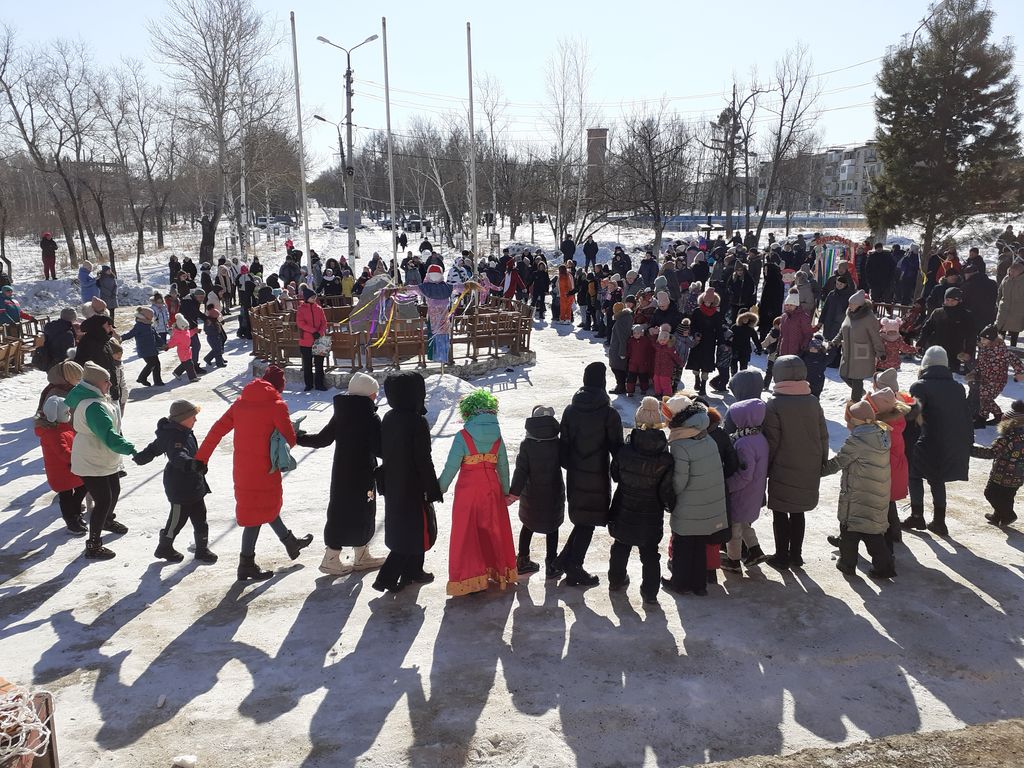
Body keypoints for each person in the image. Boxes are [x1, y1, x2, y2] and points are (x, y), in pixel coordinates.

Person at [194, 365, 313, 581]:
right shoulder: (277, 405)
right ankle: (246, 563)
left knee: (261, 508)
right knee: (256, 515)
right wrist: (293, 430)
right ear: (279, 387)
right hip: (266, 469)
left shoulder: (241, 403)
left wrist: (201, 458)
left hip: (243, 469)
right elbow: (290, 441)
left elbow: (217, 429)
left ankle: (290, 542)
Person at [296, 372, 386, 575]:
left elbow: (322, 440)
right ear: (367, 395)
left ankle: (332, 557)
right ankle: (360, 555)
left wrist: (297, 438)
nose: (376, 397)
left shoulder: (342, 413)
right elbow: (380, 450)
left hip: (341, 473)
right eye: (374, 393)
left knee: (339, 512)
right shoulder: (370, 417)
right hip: (363, 473)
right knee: (364, 511)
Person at [437, 390, 518, 596]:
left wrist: (439, 489)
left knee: (467, 533)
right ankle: (497, 571)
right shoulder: (497, 435)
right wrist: (507, 491)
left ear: (468, 412)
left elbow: (450, 467)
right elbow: (503, 467)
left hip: (468, 490)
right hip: (492, 489)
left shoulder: (463, 436)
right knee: (493, 530)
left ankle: (470, 577)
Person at [554, 362, 624, 586]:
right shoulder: (609, 413)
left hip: (575, 474)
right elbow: (617, 449)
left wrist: (573, 465)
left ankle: (565, 560)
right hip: (597, 475)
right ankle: (574, 565)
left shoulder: (570, 410)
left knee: (583, 519)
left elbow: (563, 446)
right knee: (588, 521)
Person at [375, 372, 444, 593]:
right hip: (413, 485)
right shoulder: (417, 421)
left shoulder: (389, 417)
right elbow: (423, 459)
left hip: (394, 482)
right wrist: (433, 488)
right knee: (412, 531)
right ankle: (386, 578)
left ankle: (414, 571)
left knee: (409, 530)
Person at [762, 355, 829, 569]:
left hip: (783, 466)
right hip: (809, 465)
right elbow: (823, 435)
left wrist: (765, 467)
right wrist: (821, 462)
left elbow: (772, 441)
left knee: (781, 512)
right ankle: (796, 555)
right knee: (798, 512)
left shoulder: (775, 404)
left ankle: (781, 556)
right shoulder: (812, 401)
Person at [606, 396, 675, 604]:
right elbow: (666, 491)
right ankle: (650, 592)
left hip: (624, 507)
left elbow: (616, 476)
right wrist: (670, 505)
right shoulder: (666, 458)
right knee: (650, 554)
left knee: (621, 545)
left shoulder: (624, 451)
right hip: (651, 512)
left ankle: (616, 581)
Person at [66, 362, 136, 560]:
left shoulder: (96, 398)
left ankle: (106, 520)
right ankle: (94, 545)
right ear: (96, 383)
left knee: (114, 491)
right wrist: (132, 450)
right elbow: (108, 435)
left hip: (102, 456)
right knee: (103, 500)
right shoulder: (93, 406)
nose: (110, 384)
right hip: (91, 459)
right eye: (107, 381)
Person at [823, 393, 898, 579]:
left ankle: (847, 564)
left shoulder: (858, 441)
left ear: (857, 421)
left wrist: (817, 471)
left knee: (850, 529)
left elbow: (839, 462)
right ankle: (885, 566)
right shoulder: (881, 433)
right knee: (873, 532)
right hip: (877, 492)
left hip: (859, 493)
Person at [133, 400, 217, 564]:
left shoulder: (182, 431)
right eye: (193, 417)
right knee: (176, 522)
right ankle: (164, 547)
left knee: (201, 519)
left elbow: (155, 448)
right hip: (180, 488)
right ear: (183, 418)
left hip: (194, 484)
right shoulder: (174, 436)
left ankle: (202, 549)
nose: (195, 420)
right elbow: (178, 455)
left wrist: (143, 457)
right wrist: (191, 464)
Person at [901, 346, 973, 536]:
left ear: (926, 364)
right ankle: (939, 521)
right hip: (951, 441)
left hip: (928, 440)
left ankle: (917, 515)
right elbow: (965, 415)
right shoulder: (957, 387)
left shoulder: (920, 386)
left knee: (914, 474)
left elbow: (913, 414)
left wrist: (898, 407)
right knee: (937, 478)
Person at [663, 396, 729, 596]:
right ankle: (699, 586)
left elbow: (679, 482)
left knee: (683, 545)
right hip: (709, 501)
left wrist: (668, 495)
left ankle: (680, 584)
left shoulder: (680, 444)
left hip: (690, 503)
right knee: (699, 544)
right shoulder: (705, 435)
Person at [507, 405, 565, 577]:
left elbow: (521, 471)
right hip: (553, 493)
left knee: (528, 525)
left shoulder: (527, 445)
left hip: (531, 494)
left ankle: (523, 560)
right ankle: (551, 564)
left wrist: (514, 493)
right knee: (553, 527)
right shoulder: (557, 443)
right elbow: (567, 462)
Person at [721, 398, 769, 573]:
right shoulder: (759, 437)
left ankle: (733, 561)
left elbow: (744, 475)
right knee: (744, 523)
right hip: (755, 491)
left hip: (742, 492)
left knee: (734, 527)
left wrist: (726, 486)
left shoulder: (744, 443)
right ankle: (755, 550)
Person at [35, 395, 87, 535]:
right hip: (62, 471)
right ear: (55, 415)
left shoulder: (64, 428)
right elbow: (63, 452)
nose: (69, 414)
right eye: (66, 412)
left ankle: (76, 514)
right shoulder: (53, 433)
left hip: (72, 468)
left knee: (83, 487)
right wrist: (79, 458)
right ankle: (71, 521)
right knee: (66, 497)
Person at [971, 399, 1024, 527]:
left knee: (990, 493)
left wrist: (970, 450)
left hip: (1003, 473)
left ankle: (1008, 515)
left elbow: (992, 453)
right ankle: (998, 515)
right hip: (1019, 475)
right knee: (1008, 496)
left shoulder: (1008, 437)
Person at [832, 289, 885, 401]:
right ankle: (860, 391)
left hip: (862, 353)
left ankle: (856, 403)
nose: (849, 305)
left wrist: (880, 352)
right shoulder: (849, 314)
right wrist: (835, 341)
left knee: (857, 378)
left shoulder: (869, 318)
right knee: (843, 374)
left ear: (859, 305)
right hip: (848, 351)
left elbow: (875, 336)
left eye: (852, 303)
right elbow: (842, 331)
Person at [971, 325, 1024, 427]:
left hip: (997, 380)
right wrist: (975, 372)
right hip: (985, 378)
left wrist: (1019, 373)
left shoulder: (1001, 351)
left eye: (984, 339)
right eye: (981, 338)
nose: (981, 341)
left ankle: (997, 416)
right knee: (984, 398)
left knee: (985, 397)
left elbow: (1015, 360)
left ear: (991, 339)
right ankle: (984, 418)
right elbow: (980, 363)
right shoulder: (984, 349)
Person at [918, 286, 975, 374]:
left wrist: (968, 351)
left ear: (959, 301)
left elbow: (971, 335)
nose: (950, 302)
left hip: (955, 352)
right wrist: (921, 342)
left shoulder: (965, 315)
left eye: (953, 300)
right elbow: (927, 328)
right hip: (936, 349)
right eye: (947, 300)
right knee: (932, 372)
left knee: (950, 374)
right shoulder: (938, 312)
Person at [686, 288, 724, 395]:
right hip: (698, 342)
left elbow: (719, 329)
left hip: (709, 342)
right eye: (706, 300)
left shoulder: (716, 315)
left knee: (706, 365)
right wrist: (695, 334)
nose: (707, 303)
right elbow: (692, 326)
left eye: (710, 301)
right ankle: (697, 379)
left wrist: (721, 342)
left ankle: (703, 386)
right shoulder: (697, 312)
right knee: (696, 364)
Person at [296, 285, 328, 392]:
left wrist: (319, 332)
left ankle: (319, 384)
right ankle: (308, 384)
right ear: (306, 298)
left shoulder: (319, 308)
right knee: (307, 364)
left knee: (319, 364)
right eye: (312, 297)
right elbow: (300, 323)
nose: (314, 299)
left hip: (319, 339)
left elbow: (324, 322)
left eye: (315, 297)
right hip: (306, 340)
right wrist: (313, 331)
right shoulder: (301, 309)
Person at [121, 306, 163, 387]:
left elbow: (156, 335)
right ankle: (142, 378)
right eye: (150, 317)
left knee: (156, 364)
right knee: (152, 363)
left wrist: (162, 343)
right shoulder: (139, 326)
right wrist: (121, 338)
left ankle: (157, 381)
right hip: (144, 349)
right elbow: (130, 334)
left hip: (152, 349)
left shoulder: (149, 326)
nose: (151, 319)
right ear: (144, 317)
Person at [996, 257, 1024, 346]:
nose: (1011, 272)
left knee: (1014, 334)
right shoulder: (1006, 279)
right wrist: (999, 303)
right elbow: (999, 292)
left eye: (1014, 271)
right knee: (1000, 333)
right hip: (1003, 310)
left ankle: (1013, 351)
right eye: (1010, 270)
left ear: (1020, 272)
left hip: (1017, 312)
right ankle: (1000, 351)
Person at [652, 324, 684, 398]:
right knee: (656, 381)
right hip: (657, 368)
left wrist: (680, 363)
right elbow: (653, 343)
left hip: (666, 369)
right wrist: (655, 334)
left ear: (667, 340)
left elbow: (675, 356)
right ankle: (658, 393)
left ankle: (667, 395)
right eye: (660, 340)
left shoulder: (670, 348)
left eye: (664, 340)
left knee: (665, 382)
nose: (662, 342)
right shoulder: (658, 346)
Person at [607, 302, 632, 394]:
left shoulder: (620, 322)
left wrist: (622, 352)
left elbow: (622, 338)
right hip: (620, 348)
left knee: (616, 367)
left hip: (618, 349)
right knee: (620, 368)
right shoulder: (627, 317)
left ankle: (620, 386)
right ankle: (621, 385)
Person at [168, 314, 199, 383]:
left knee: (185, 364)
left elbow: (189, 333)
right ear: (180, 327)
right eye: (185, 327)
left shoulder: (186, 331)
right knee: (189, 364)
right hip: (182, 352)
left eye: (187, 327)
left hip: (187, 351)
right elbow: (172, 342)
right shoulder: (177, 334)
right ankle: (192, 378)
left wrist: (194, 331)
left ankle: (177, 372)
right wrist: (167, 346)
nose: (187, 328)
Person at [625, 323, 654, 397]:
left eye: (638, 333)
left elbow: (649, 351)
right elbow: (629, 350)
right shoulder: (631, 340)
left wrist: (648, 361)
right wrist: (627, 356)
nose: (636, 335)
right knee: (631, 377)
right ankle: (630, 390)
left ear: (642, 333)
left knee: (643, 376)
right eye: (634, 333)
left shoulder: (646, 341)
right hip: (633, 362)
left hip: (643, 362)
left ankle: (644, 389)